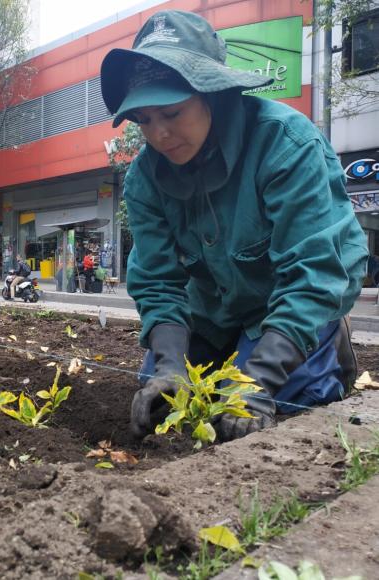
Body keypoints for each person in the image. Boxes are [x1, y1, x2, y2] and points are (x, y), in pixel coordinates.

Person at [100, 10, 367, 441]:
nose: (159, 134)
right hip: (213, 310)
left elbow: (313, 275)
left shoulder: (285, 143)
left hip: (291, 301)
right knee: (164, 398)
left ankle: (327, 346)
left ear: (213, 94)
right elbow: (158, 281)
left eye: (171, 111)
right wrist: (170, 367)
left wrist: (257, 382)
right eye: (144, 120)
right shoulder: (146, 176)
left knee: (274, 400)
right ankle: (225, 357)